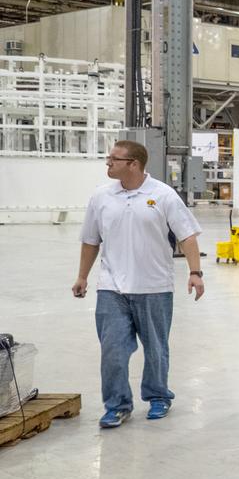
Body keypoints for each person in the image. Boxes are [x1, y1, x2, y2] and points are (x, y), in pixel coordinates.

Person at [71, 139, 204, 428]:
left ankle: (158, 396)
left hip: (154, 287)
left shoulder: (163, 195)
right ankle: (117, 405)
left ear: (133, 163)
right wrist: (82, 276)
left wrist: (195, 272)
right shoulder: (101, 196)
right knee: (113, 350)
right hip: (111, 288)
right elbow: (90, 240)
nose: (108, 163)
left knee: (156, 349)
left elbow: (188, 235)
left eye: (113, 159)